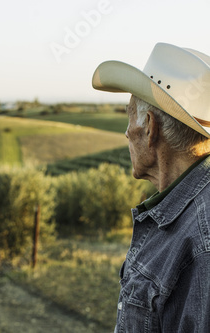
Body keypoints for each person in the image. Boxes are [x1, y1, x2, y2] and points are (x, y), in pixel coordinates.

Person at [92, 42, 210, 332]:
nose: (126, 131)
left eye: (129, 115)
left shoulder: (202, 242)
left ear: (149, 126)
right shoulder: (187, 215)